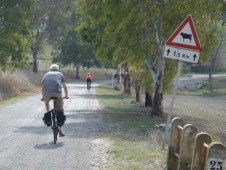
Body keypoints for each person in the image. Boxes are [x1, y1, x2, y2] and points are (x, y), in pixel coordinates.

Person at [41, 64, 69, 137]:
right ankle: (60, 131)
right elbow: (65, 87)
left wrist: (42, 97)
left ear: (50, 69)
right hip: (57, 93)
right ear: (58, 69)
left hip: (48, 94)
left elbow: (43, 87)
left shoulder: (46, 74)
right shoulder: (60, 74)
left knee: (47, 104)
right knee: (60, 110)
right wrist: (66, 96)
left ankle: (48, 114)